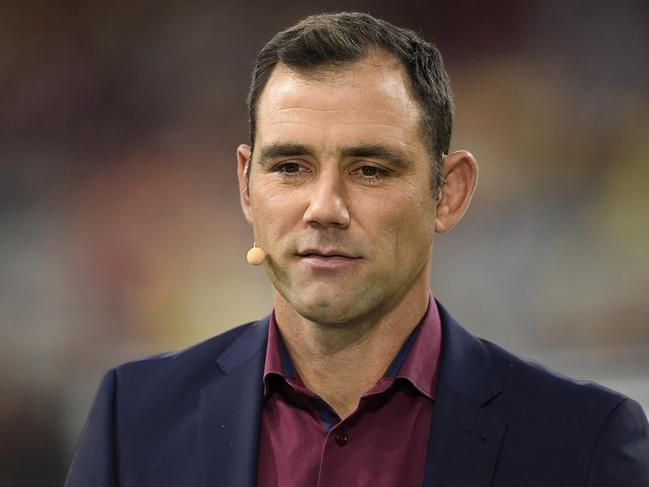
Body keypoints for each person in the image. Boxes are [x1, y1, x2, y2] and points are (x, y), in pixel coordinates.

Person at [65, 12, 649, 487]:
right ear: (246, 185)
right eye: (290, 167)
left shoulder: (583, 442)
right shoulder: (134, 418)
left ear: (449, 193)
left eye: (370, 169)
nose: (324, 207)